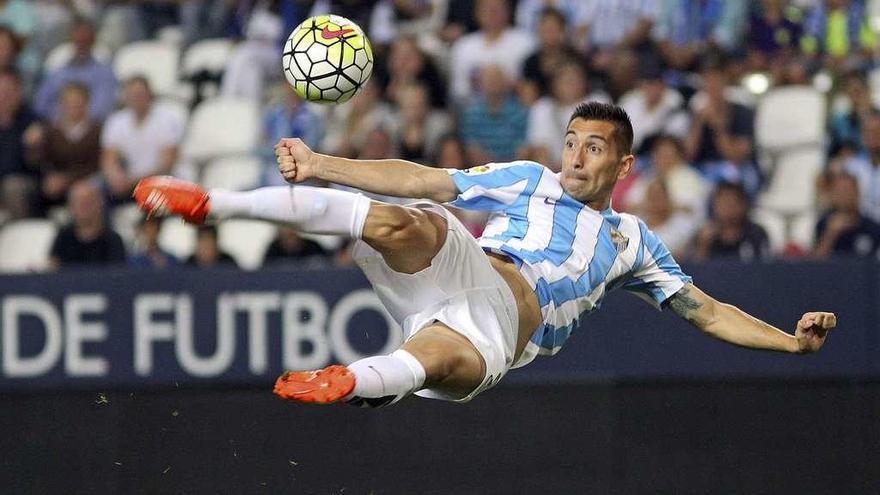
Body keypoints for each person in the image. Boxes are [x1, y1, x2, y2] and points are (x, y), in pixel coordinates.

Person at [133, 102, 836, 409]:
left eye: (594, 147)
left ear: (622, 165)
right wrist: (319, 160)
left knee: (443, 359)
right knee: (419, 221)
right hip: (472, 268)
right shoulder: (528, 178)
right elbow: (422, 176)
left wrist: (790, 345)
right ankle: (214, 202)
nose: (576, 156)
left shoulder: (633, 242)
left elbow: (706, 312)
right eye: (571, 140)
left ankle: (353, 380)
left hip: (502, 330)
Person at [100, 76, 183, 202]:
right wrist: (116, 178)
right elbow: (109, 160)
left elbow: (167, 164)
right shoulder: (116, 122)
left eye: (140, 94)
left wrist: (134, 181)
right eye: (132, 95)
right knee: (89, 192)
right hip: (125, 184)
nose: (136, 99)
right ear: (126, 97)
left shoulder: (167, 120)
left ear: (150, 95)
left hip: (157, 182)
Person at [33, 18, 117, 122]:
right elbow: (41, 105)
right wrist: (61, 122)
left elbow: (101, 109)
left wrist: (76, 122)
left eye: (85, 40)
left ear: (93, 40)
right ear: (71, 40)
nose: (81, 43)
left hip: (90, 131)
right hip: (56, 128)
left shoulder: (105, 74)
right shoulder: (58, 73)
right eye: (78, 39)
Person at [49, 180, 126, 269]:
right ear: (71, 207)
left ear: (100, 204)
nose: (84, 207)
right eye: (78, 203)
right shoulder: (64, 237)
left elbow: (117, 275)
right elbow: (53, 268)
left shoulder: (113, 240)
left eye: (88, 202)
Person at [694, 182, 770, 262]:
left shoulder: (756, 234)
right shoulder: (703, 236)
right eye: (723, 202)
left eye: (733, 202)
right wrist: (703, 247)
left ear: (743, 205)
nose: (728, 208)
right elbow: (696, 270)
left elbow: (763, 267)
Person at [814, 173, 880, 258]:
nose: (844, 196)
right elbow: (815, 262)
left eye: (848, 190)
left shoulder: (872, 227)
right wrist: (831, 234)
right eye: (839, 191)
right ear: (833, 195)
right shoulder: (823, 224)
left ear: (857, 192)